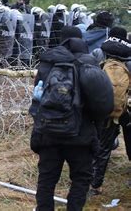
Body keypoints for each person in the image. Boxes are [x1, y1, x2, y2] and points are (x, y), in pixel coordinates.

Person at [29, 26, 114, 211]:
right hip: (80, 135)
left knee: (46, 181)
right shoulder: (88, 63)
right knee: (81, 180)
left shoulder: (48, 63)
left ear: (62, 39)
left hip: (49, 133)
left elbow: (38, 99)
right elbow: (101, 105)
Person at [89, 26, 131, 195]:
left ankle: (95, 185)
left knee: (103, 148)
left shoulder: (99, 52)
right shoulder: (128, 56)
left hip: (108, 107)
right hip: (127, 108)